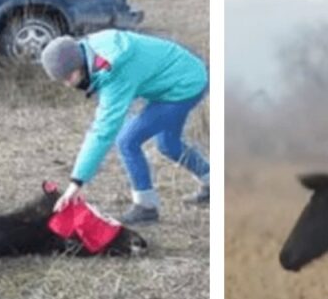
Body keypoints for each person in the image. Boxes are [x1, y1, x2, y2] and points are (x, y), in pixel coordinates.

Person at [41, 30, 210, 225]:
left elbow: (103, 131)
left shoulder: (115, 70)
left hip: (184, 85)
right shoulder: (90, 50)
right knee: (167, 144)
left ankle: (146, 207)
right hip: (183, 74)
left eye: (68, 78)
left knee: (127, 140)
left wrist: (76, 182)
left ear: (79, 66)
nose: (67, 85)